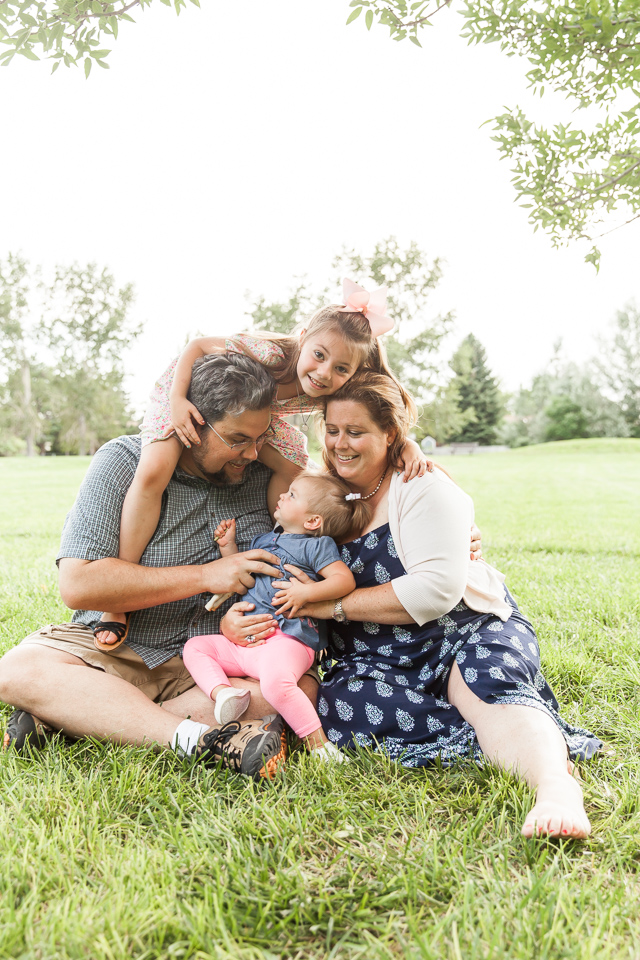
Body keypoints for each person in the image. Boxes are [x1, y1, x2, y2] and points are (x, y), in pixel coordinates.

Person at [271, 373, 602, 839]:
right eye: (332, 429)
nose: (340, 443)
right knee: (344, 704)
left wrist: (330, 608)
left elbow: (434, 592)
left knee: (487, 683)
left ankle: (553, 784)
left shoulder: (422, 484)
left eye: (357, 431)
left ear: (390, 434)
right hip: (376, 653)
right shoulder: (322, 492)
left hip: (460, 627)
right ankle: (496, 738)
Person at [0, 352, 321, 779]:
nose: (252, 452)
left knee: (299, 688)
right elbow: (78, 585)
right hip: (114, 650)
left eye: (260, 438)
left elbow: (330, 494)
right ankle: (197, 739)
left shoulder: (267, 478)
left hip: (212, 666)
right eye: (237, 439)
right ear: (192, 424)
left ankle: (83, 716)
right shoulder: (123, 461)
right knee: (17, 670)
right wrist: (207, 575)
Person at [94, 279, 430, 650]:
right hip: (191, 390)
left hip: (257, 418)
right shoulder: (272, 354)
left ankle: (285, 542)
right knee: (156, 468)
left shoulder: (337, 386)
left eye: (340, 368)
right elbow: (198, 346)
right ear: (303, 338)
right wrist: (177, 398)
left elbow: (380, 412)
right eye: (319, 355)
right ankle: (117, 602)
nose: (324, 373)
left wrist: (406, 443)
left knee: (295, 465)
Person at [183, 472, 370, 761]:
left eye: (292, 495)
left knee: (275, 685)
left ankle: (319, 747)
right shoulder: (265, 539)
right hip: (247, 644)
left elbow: (343, 581)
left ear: (312, 522)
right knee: (196, 647)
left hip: (288, 640)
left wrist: (306, 594)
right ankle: (223, 694)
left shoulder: (316, 546)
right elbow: (244, 579)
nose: (283, 496)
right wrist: (228, 548)